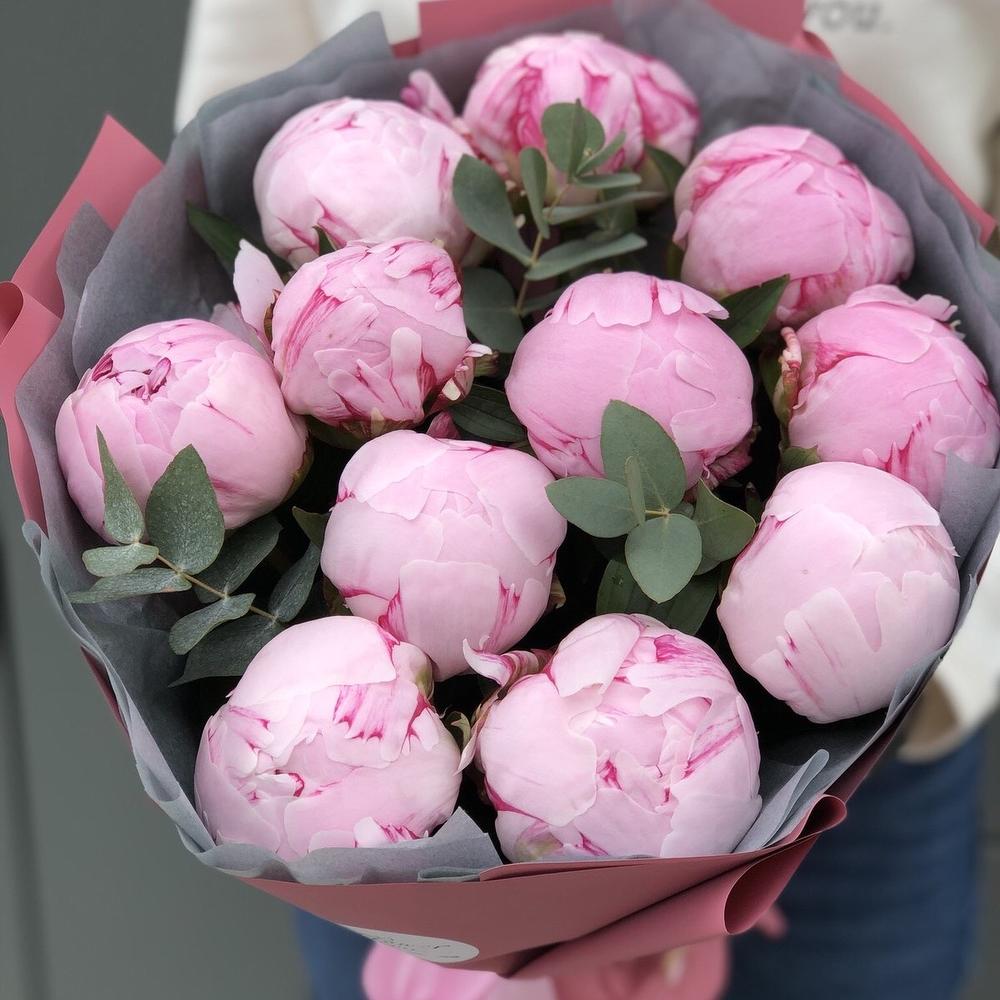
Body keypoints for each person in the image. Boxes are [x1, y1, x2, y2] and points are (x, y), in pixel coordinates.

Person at [174, 2, 999, 997]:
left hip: (878, 758)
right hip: (381, 854)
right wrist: (511, 929)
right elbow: (221, 154)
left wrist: (923, 681)